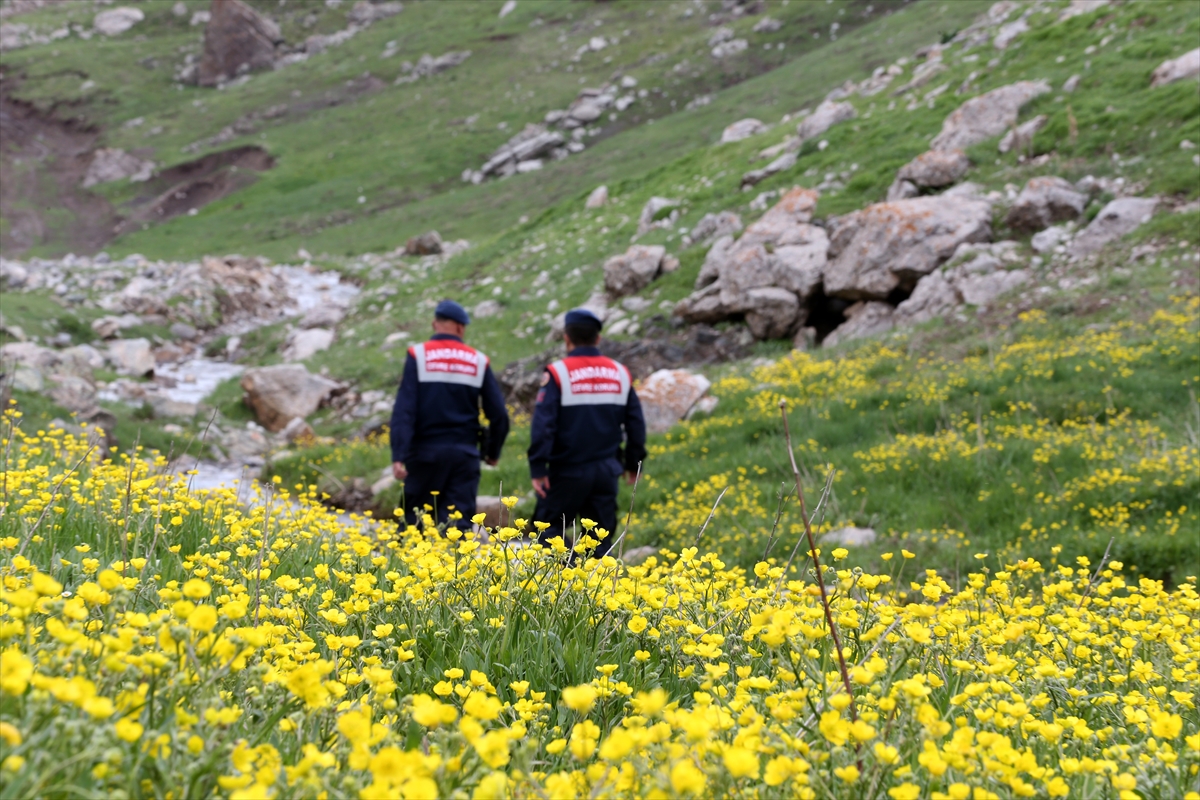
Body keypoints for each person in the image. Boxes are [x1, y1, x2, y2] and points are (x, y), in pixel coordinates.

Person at [528, 308, 646, 558]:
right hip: (606, 470)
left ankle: (567, 583)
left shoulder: (558, 373)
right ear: (598, 339)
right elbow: (636, 423)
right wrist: (634, 464)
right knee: (600, 541)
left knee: (547, 532)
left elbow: (543, 426)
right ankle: (597, 592)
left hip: (566, 472)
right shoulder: (620, 373)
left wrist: (538, 467)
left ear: (566, 338)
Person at [390, 300, 509, 526]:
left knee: (413, 525)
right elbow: (499, 414)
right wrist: (493, 452)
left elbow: (405, 410)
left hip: (424, 455)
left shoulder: (418, 355)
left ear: (435, 324)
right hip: (464, 457)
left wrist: (399, 455)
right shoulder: (478, 360)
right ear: (461, 328)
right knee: (457, 527)